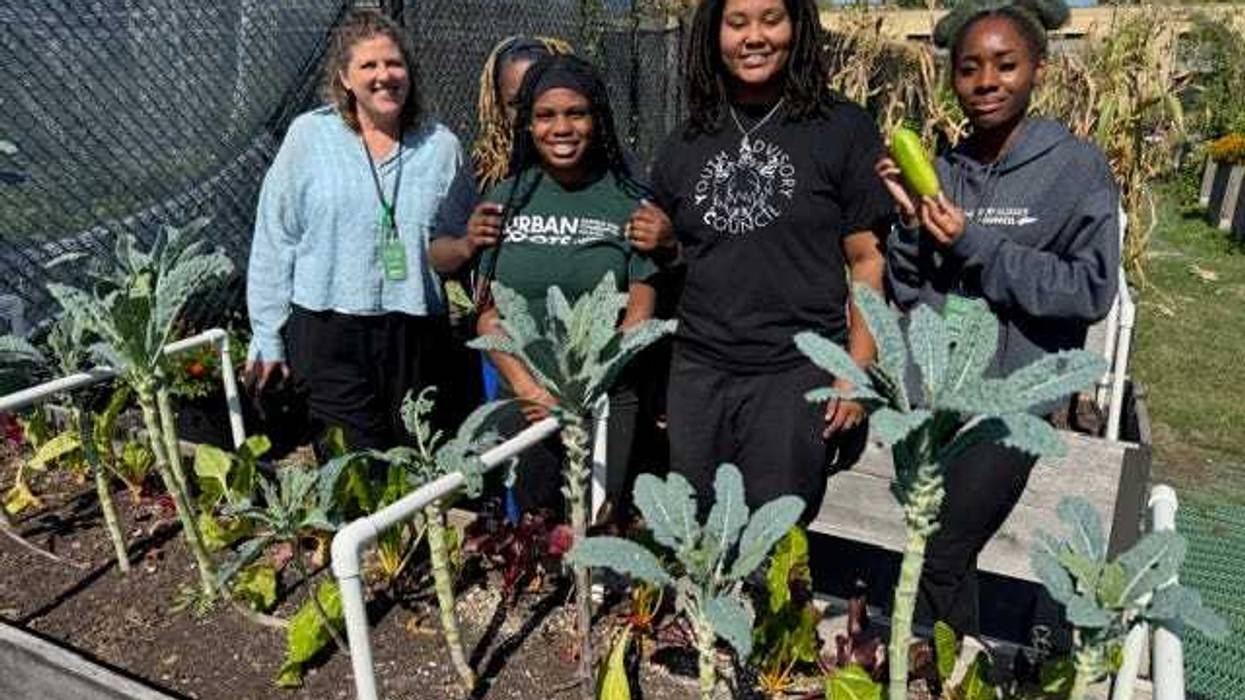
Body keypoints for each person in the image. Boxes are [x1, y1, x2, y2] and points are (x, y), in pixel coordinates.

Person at [876, 0, 1119, 636]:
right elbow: (910, 286)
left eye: (1005, 65)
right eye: (969, 69)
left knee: (943, 552)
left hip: (1010, 399)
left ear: (1038, 68)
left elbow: (1089, 290)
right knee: (931, 550)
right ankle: (942, 669)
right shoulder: (945, 169)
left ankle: (940, 670)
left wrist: (974, 244)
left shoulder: (1075, 169)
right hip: (936, 394)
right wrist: (908, 222)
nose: (986, 83)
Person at [630, 0, 891, 517]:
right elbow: (669, 263)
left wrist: (858, 370)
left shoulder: (842, 128)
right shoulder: (687, 141)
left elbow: (866, 260)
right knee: (698, 526)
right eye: (737, 22)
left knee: (779, 529)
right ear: (713, 34)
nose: (754, 36)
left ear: (798, 27)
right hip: (699, 369)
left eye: (771, 19)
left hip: (795, 370)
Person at [245, 9, 481, 452]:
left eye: (394, 64)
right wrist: (266, 334)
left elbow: (456, 242)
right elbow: (276, 240)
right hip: (327, 329)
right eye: (368, 66)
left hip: (414, 333)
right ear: (345, 78)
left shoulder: (441, 146)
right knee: (350, 469)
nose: (384, 76)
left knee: (415, 463)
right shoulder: (309, 137)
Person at [472, 54, 659, 514]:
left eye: (576, 113)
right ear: (528, 126)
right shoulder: (506, 198)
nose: (562, 127)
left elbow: (640, 315)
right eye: (546, 115)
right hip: (527, 395)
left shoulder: (629, 201)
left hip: (606, 397)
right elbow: (487, 315)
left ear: (597, 119)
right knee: (539, 531)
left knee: (602, 526)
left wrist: (588, 386)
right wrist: (528, 388)